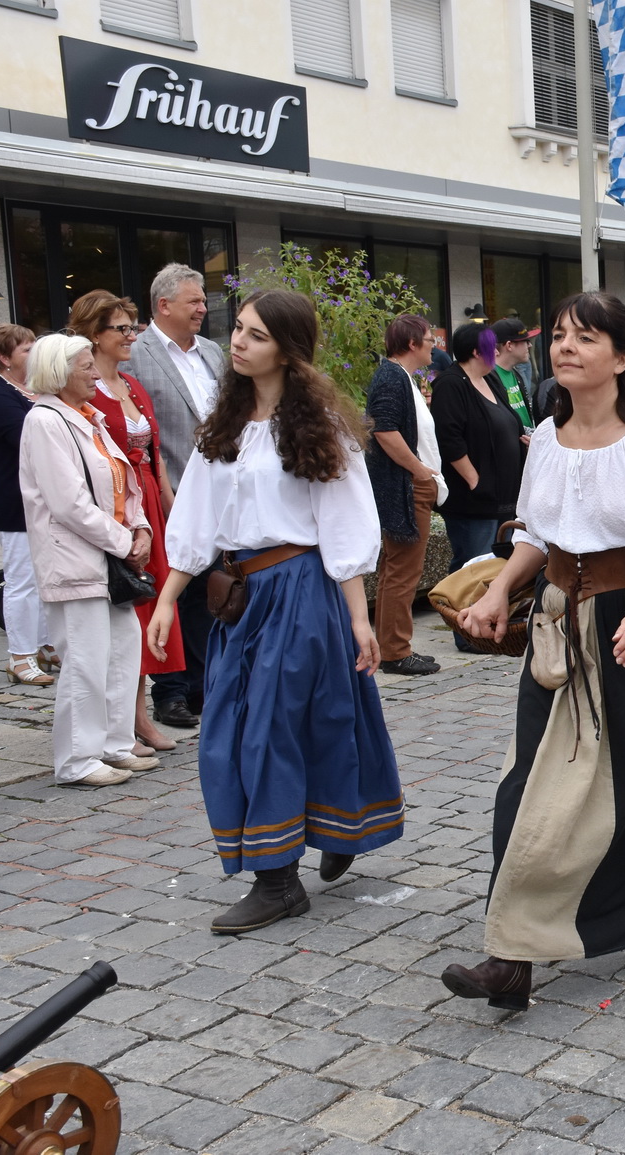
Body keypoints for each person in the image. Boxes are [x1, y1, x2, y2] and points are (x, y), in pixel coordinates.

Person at [440, 292, 625, 1011]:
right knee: (532, 783)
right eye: (560, 336)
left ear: (622, 357)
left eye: (586, 338)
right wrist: (496, 590)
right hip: (559, 624)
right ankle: (513, 955)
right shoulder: (549, 432)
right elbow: (537, 533)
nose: (566, 348)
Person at [149, 289, 403, 933]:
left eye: (256, 335)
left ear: (288, 349)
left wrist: (359, 619)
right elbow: (196, 518)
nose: (237, 342)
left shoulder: (319, 426)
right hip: (240, 598)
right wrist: (168, 599)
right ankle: (332, 825)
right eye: (237, 329)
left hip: (301, 590)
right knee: (229, 731)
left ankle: (278, 878)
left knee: (277, 727)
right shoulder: (224, 423)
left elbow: (343, 523)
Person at [19, 332, 156, 787]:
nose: (96, 373)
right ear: (59, 373)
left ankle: (113, 746)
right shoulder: (45, 420)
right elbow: (68, 503)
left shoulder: (88, 416)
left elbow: (124, 479)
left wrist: (141, 529)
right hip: (76, 560)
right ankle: (77, 760)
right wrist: (124, 539)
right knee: (84, 659)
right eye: (85, 367)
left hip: (109, 558)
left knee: (121, 652)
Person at [70, 290, 184, 754]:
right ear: (93, 335)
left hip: (148, 507)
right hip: (116, 507)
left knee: (153, 606)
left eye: (131, 326)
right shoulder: (84, 390)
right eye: (121, 328)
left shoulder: (132, 385)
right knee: (129, 611)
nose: (130, 335)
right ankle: (131, 720)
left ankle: (140, 715)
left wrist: (171, 505)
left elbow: (155, 455)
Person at [126, 263, 225, 730]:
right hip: (172, 493)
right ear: (163, 306)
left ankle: (204, 686)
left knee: (212, 592)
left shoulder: (211, 352)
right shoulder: (136, 356)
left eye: (204, 300)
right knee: (176, 590)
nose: (204, 308)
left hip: (224, 492)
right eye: (195, 301)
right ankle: (171, 692)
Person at [366, 315, 448, 676]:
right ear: (412, 343)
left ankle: (394, 647)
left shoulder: (402, 378)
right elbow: (383, 430)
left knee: (396, 570)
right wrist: (418, 470)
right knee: (403, 570)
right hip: (406, 487)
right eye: (429, 339)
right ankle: (396, 651)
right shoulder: (391, 376)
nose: (434, 345)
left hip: (412, 485)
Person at [433, 322, 525, 579]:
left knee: (498, 569)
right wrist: (475, 481)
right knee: (473, 570)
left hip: (502, 498)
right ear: (476, 351)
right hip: (474, 501)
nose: (496, 353)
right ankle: (461, 618)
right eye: (490, 347)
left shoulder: (490, 380)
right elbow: (449, 439)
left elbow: (507, 423)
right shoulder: (451, 383)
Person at [0, 324, 52, 686]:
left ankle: (44, 643)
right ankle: (20, 655)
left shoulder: (37, 391)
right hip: (14, 501)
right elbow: (29, 438)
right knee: (22, 580)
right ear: (3, 357)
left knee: (44, 577)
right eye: (26, 349)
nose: (34, 354)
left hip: (42, 500)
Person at [490, 318, 537, 432]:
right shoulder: (488, 378)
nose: (529, 345)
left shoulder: (515, 374)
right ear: (509, 345)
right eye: (525, 341)